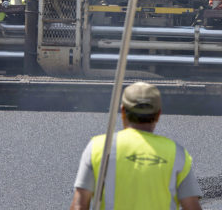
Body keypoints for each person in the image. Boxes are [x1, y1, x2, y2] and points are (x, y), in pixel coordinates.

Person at [70, 82, 202, 210]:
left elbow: (79, 206)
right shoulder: (176, 154)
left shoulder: (99, 148)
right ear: (158, 114)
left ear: (123, 111)